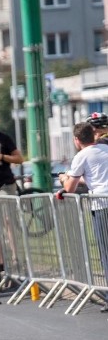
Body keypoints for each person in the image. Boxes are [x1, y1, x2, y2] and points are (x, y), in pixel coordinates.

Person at [60, 122, 108, 293]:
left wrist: (64, 178)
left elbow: (69, 188)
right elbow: (95, 176)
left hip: (101, 206)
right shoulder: (105, 149)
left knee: (105, 252)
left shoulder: (82, 156)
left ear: (76, 140)